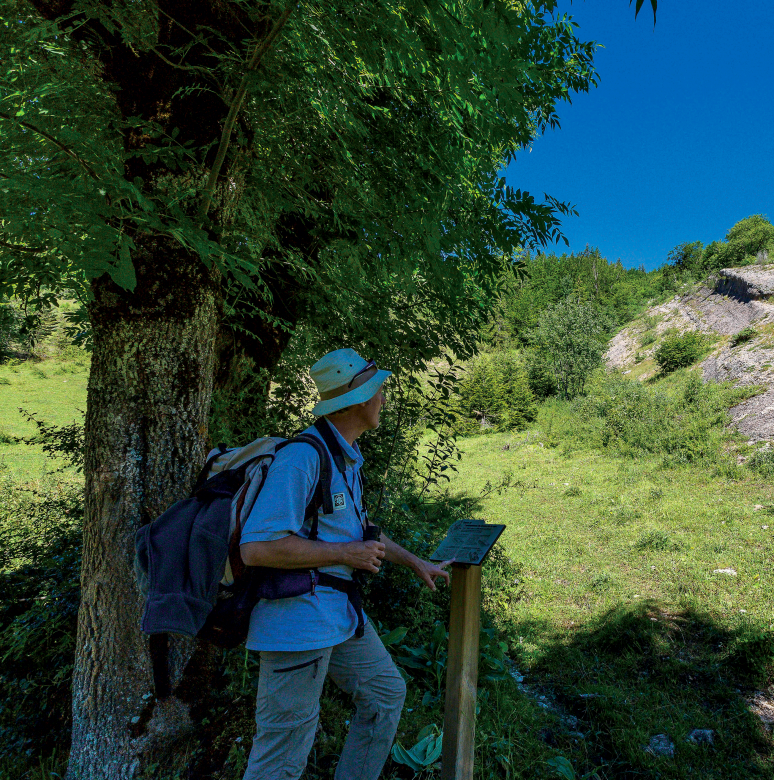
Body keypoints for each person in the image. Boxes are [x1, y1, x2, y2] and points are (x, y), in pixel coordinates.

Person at [239, 348, 452, 780]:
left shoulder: (346, 459)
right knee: (282, 754)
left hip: (337, 615)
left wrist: (415, 563)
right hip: (297, 624)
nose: (383, 400)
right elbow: (256, 548)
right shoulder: (303, 457)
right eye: (378, 392)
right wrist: (343, 555)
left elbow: (359, 532)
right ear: (357, 401)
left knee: (387, 696)